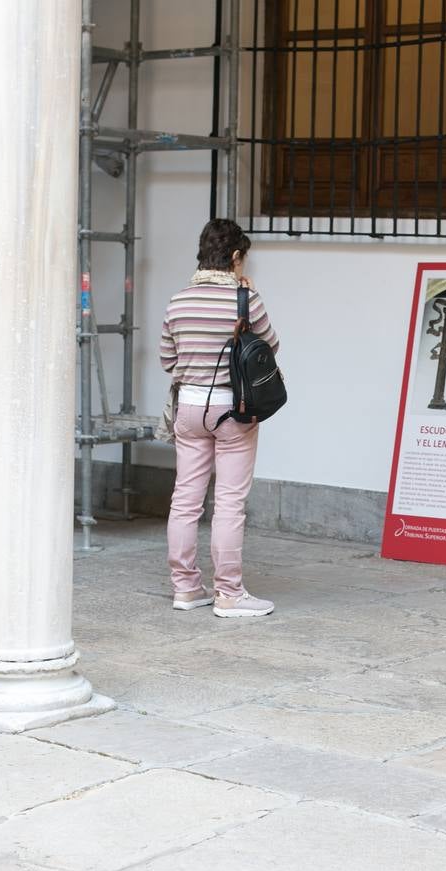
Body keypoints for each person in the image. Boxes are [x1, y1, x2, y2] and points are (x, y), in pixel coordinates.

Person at [159, 219, 278, 618]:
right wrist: (248, 300)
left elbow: (168, 360)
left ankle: (186, 588)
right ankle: (229, 593)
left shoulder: (178, 301)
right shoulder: (246, 300)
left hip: (189, 409)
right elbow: (269, 348)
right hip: (234, 410)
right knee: (228, 502)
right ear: (235, 257)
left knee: (185, 500)